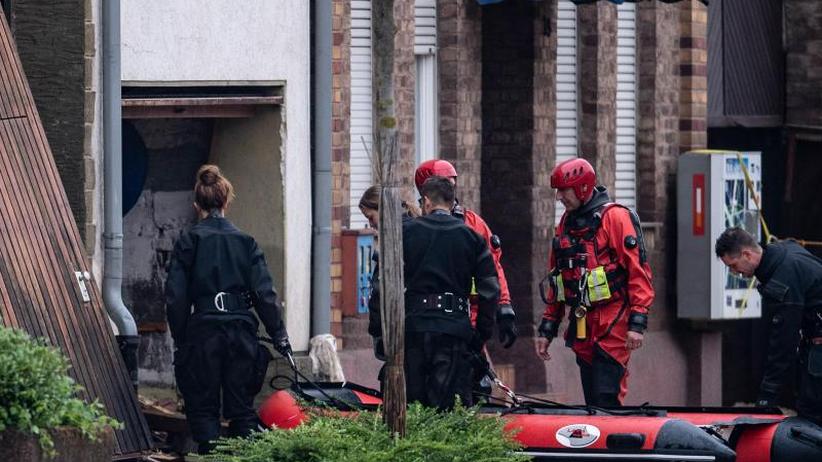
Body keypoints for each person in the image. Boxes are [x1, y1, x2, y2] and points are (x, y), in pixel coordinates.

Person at [165, 164, 291, 454]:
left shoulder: (189, 241)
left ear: (198, 205)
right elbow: (264, 293)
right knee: (242, 410)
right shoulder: (246, 242)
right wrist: (279, 335)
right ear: (226, 202)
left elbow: (176, 297)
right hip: (240, 332)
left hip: (203, 331)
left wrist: (182, 339)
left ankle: (212, 458)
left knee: (204, 410)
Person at [536, 157, 654, 407]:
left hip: (613, 323)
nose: (558, 197)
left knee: (606, 396)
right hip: (582, 326)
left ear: (582, 188)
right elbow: (557, 278)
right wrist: (548, 328)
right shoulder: (566, 224)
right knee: (592, 399)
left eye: (563, 190)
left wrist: (638, 322)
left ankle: (615, 443)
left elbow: (638, 271)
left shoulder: (615, 218)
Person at [403, 176, 500, 409]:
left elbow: (383, 283)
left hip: (414, 328)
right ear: (452, 202)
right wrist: (479, 336)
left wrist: (382, 331)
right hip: (454, 330)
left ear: (426, 201)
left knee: (414, 405)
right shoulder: (472, 238)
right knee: (449, 407)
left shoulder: (406, 233)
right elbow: (490, 291)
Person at [715, 227, 822, 425]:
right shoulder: (785, 251)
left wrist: (766, 398)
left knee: (812, 415)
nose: (734, 272)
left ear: (747, 254)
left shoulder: (783, 279)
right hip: (813, 340)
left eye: (733, 265)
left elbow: (783, 342)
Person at [414, 159, 517, 349]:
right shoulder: (416, 227)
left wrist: (504, 307)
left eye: (451, 186)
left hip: (467, 318)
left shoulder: (472, 224)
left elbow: (494, 266)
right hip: (426, 322)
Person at [358, 185, 420, 388]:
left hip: (399, 329)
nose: (371, 224)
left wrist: (376, 328)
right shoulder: (418, 229)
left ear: (382, 210)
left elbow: (381, 289)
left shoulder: (394, 237)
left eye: (371, 216)